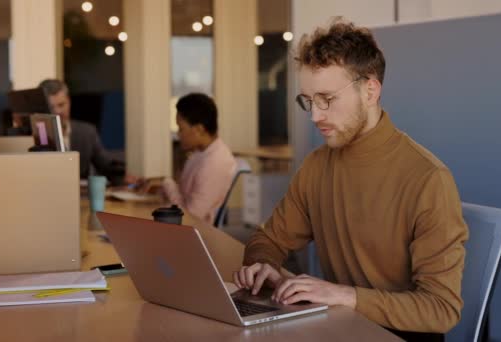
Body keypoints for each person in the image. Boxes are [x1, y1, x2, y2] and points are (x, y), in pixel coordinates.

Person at [232, 17, 468, 341]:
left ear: (370, 90)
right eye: (308, 101)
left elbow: (440, 310)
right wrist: (263, 265)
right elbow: (268, 240)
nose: (315, 116)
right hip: (341, 328)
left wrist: (344, 296)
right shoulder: (316, 166)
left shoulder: (429, 179)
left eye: (327, 99)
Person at [145, 93, 236, 224]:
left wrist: (167, 182)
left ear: (199, 129)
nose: (178, 134)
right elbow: (182, 195)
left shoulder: (215, 162)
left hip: (193, 232)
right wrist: (160, 186)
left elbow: (190, 216)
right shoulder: (200, 153)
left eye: (181, 129)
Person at [38, 79, 127, 183]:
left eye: (61, 105)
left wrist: (126, 177)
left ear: (69, 102)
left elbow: (106, 166)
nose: (58, 111)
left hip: (80, 196)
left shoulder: (87, 132)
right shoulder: (36, 135)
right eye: (51, 107)